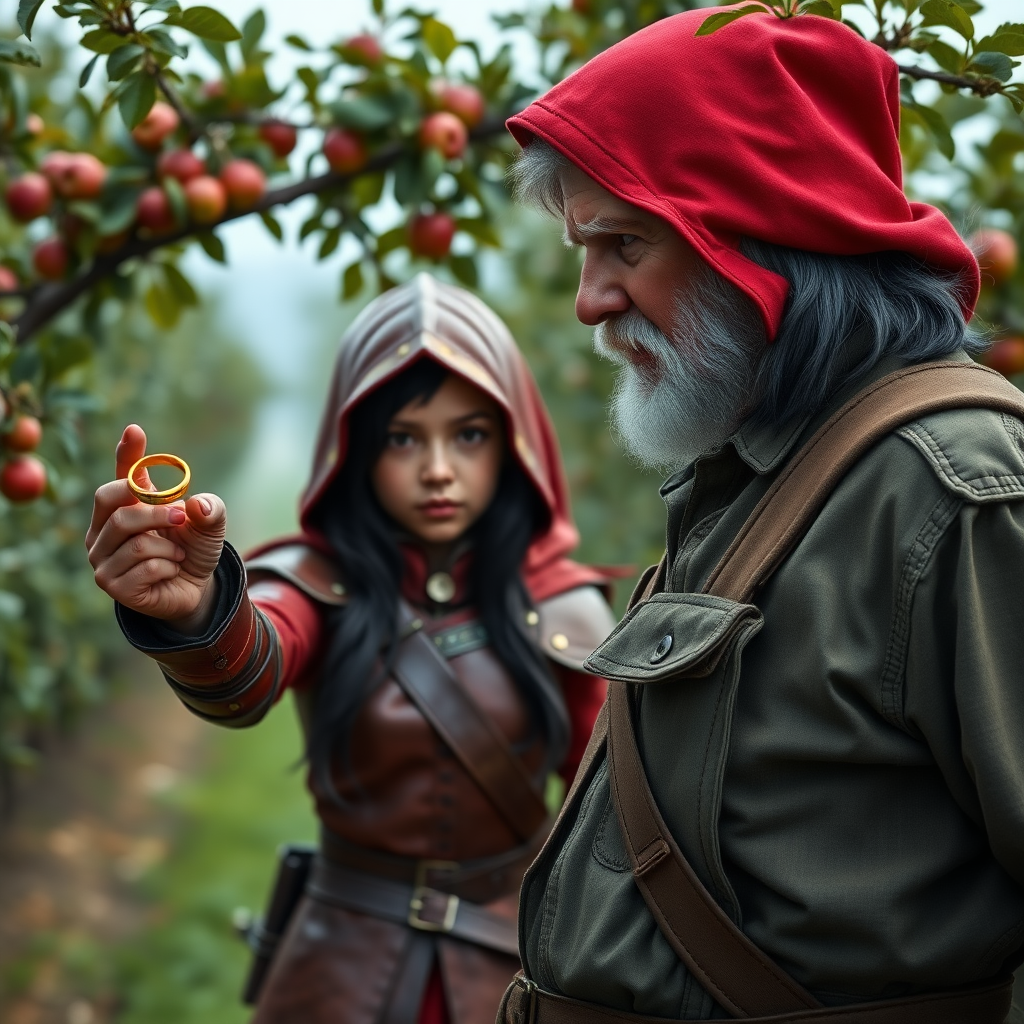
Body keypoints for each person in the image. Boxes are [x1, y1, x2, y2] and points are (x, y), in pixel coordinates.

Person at [496, 6, 1024, 1023]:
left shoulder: (954, 493)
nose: (589, 299)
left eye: (623, 243)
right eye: (581, 248)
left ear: (766, 244)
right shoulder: (756, 471)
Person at [84, 273, 616, 1024]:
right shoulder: (316, 583)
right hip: (340, 968)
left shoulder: (563, 605)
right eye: (403, 437)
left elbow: (613, 813)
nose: (438, 468)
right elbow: (253, 663)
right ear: (357, 450)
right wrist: (199, 611)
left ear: (513, 443)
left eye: (469, 434)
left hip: (519, 967)